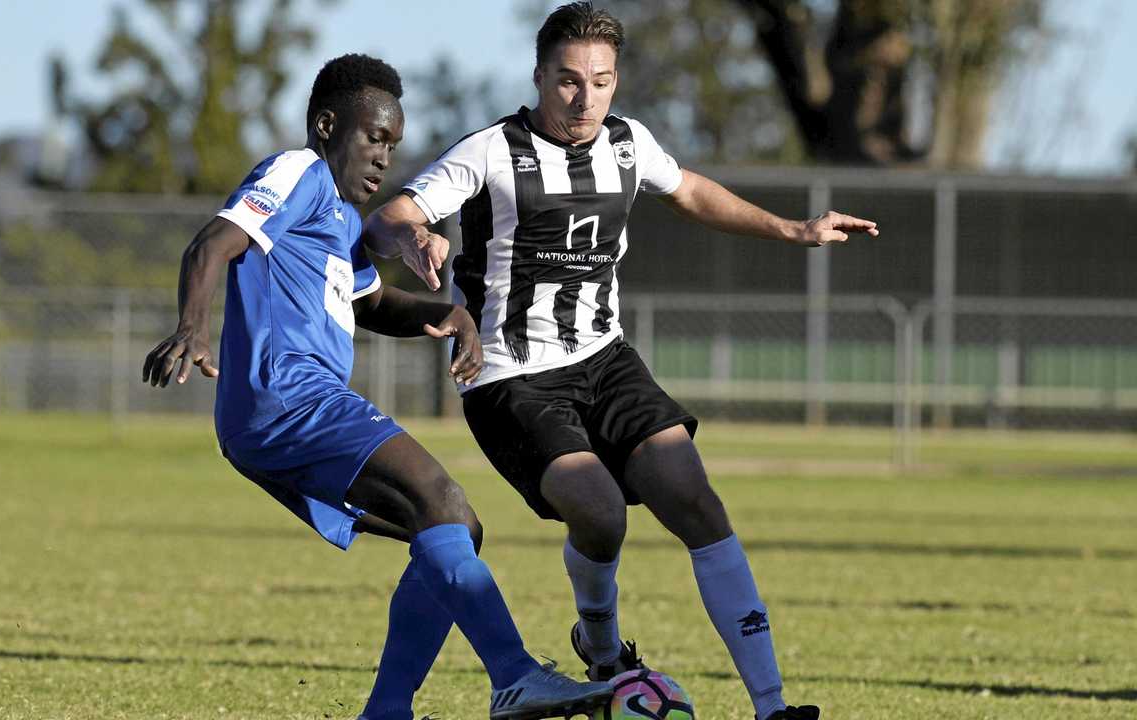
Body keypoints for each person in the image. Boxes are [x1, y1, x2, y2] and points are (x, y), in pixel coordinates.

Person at [363, 6, 880, 720]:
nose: (584, 99)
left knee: (695, 499)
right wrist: (417, 235)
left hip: (606, 361)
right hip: (511, 378)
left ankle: (772, 707)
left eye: (601, 82)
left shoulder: (630, 144)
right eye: (569, 82)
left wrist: (792, 228)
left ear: (616, 82)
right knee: (601, 514)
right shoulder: (490, 152)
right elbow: (390, 214)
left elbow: (691, 190)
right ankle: (601, 650)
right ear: (540, 76)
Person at [142, 53, 612, 720]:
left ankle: (387, 710)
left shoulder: (338, 223)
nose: (384, 157)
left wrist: (449, 315)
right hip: (289, 397)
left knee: (452, 528)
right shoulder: (297, 171)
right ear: (328, 126)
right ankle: (513, 676)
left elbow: (371, 305)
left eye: (392, 144)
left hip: (283, 415)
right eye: (373, 137)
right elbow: (212, 243)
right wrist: (193, 326)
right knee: (442, 502)